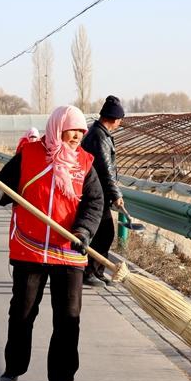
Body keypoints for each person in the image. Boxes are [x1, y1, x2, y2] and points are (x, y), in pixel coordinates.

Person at [0, 105, 104, 381]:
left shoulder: (85, 163)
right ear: (57, 128)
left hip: (68, 251)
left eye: (80, 131)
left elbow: (95, 203)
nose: (77, 136)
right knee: (22, 312)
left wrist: (83, 232)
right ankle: (14, 367)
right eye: (71, 130)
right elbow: (3, 191)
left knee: (68, 317)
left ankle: (62, 378)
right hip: (30, 249)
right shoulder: (30, 155)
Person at [80, 95, 125, 288]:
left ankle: (97, 271)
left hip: (97, 192)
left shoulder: (98, 133)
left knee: (103, 233)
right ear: (114, 119)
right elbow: (106, 169)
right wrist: (116, 194)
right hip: (95, 193)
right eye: (120, 120)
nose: (119, 123)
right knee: (103, 234)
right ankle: (89, 271)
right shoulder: (99, 137)